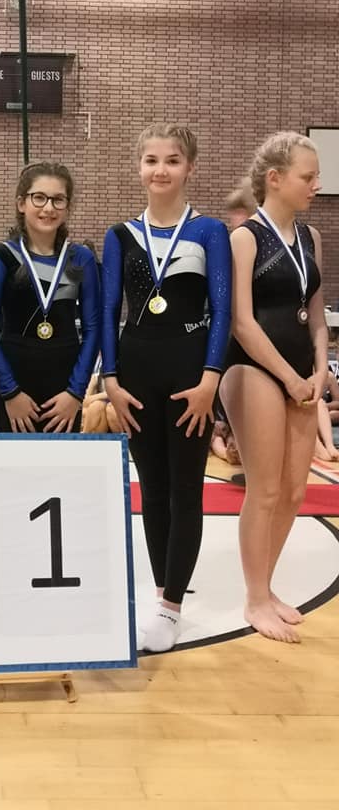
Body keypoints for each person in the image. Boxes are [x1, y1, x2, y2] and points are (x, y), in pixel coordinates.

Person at [102, 123, 232, 652]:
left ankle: (172, 605)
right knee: (152, 488)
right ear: (139, 167)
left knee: (185, 489)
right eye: (151, 160)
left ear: (189, 168)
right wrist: (110, 380)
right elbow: (108, 311)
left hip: (189, 373)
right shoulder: (120, 236)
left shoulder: (209, 232)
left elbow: (222, 310)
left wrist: (210, 379)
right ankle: (161, 596)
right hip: (135, 373)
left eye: (172, 160)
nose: (161, 170)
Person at [220, 132, 325, 644]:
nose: (316, 184)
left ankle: (267, 585)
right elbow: (241, 321)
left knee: (294, 491)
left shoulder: (310, 238)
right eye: (309, 176)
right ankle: (254, 598)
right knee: (263, 490)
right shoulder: (245, 238)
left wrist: (321, 369)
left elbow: (316, 315)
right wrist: (288, 375)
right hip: (254, 369)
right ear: (276, 178)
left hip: (303, 372)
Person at [0, 162, 101, 433]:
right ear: (21, 203)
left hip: (65, 386)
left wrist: (75, 393)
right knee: (14, 460)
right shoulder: (1, 256)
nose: (48, 208)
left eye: (58, 199)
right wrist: (9, 392)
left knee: (62, 461)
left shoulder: (80, 258)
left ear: (67, 207)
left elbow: (93, 329)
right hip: (14, 383)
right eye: (39, 197)